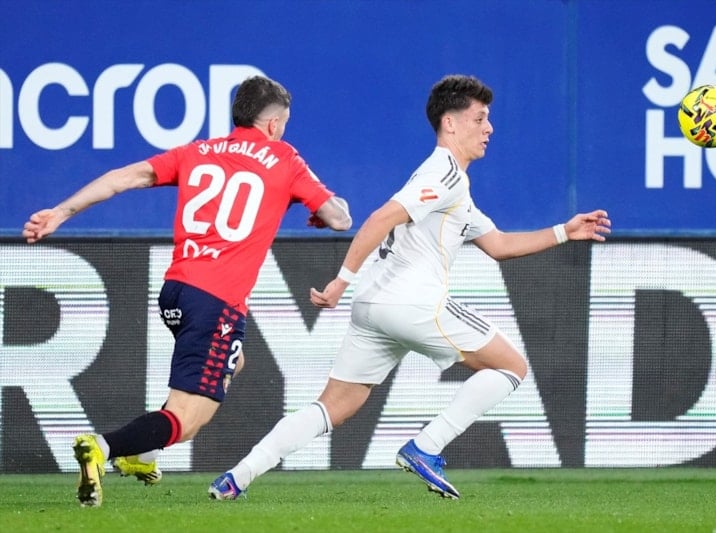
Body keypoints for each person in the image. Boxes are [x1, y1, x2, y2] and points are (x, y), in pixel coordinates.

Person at [208, 74, 611, 501]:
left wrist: (565, 232)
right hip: (413, 303)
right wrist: (341, 280)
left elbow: (499, 245)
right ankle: (426, 447)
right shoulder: (445, 174)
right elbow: (381, 217)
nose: (489, 128)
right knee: (512, 367)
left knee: (333, 406)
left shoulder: (450, 184)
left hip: (374, 306)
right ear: (450, 123)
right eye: (480, 118)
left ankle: (237, 477)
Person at [22, 75, 352, 507]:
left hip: (176, 292)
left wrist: (61, 212)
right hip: (217, 301)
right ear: (274, 124)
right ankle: (101, 448)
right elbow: (341, 218)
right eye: (284, 124)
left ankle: (143, 453)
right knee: (189, 418)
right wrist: (320, 210)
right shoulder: (283, 157)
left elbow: (124, 177)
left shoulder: (198, 152)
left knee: (233, 359)